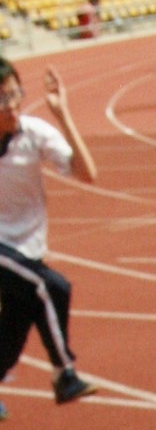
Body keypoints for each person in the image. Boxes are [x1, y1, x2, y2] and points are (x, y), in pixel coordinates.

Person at [0, 59, 99, 420]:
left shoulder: (34, 133)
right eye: (1, 99)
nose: (10, 105)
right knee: (54, 287)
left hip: (26, 250)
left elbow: (88, 175)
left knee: (13, 331)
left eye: (14, 95)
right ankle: (64, 374)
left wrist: (64, 116)